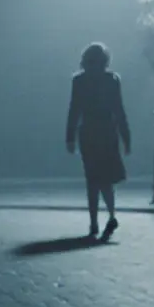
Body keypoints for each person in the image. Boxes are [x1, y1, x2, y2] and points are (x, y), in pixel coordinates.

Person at [66, 42, 131, 239]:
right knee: (106, 179)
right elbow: (119, 110)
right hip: (107, 132)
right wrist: (126, 137)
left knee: (92, 179)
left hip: (88, 133)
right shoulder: (112, 80)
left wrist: (70, 137)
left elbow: (74, 110)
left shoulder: (79, 81)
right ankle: (111, 214)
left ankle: (94, 222)